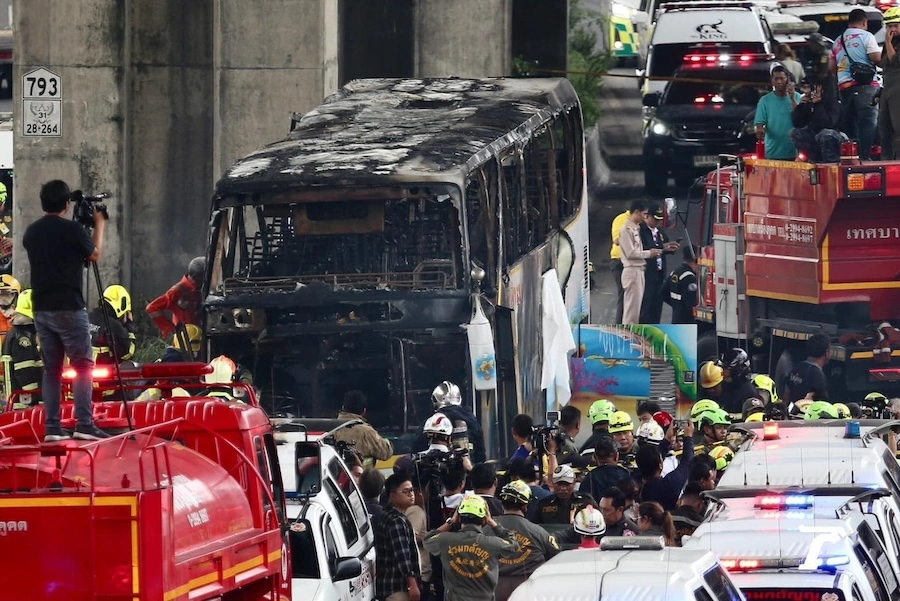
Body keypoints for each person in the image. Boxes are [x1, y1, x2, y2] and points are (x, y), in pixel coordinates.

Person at [22, 179, 109, 441]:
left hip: (41, 308)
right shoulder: (72, 230)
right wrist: (100, 224)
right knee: (83, 365)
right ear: (66, 204)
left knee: (52, 369)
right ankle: (84, 423)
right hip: (69, 307)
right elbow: (93, 254)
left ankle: (52, 428)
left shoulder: (31, 233)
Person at [423, 495, 520, 601]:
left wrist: (451, 522)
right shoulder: (493, 544)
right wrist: (492, 523)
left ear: (459, 517)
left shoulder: (446, 540)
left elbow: (427, 539)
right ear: (484, 520)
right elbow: (513, 544)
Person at [495, 481, 560, 601]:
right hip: (528, 590)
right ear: (525, 506)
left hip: (494, 589)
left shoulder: (486, 529)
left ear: (502, 504)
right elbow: (556, 556)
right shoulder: (538, 532)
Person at [833, 8, 881, 160]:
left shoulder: (837, 40)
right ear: (864, 21)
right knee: (868, 121)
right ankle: (865, 156)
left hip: (844, 88)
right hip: (865, 86)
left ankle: (852, 156)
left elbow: (831, 68)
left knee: (851, 123)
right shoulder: (867, 36)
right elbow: (875, 58)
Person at [374, 474, 422, 601]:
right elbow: (402, 556)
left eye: (412, 490)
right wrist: (412, 584)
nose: (411, 494)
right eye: (405, 491)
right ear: (393, 495)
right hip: (398, 588)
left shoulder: (389, 515)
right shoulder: (396, 521)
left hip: (390, 586)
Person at [620, 199, 664, 324]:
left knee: (636, 309)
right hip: (632, 270)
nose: (645, 217)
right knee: (631, 311)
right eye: (644, 214)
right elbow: (630, 253)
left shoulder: (636, 228)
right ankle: (627, 337)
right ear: (637, 212)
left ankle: (630, 335)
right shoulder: (626, 229)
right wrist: (649, 253)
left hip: (639, 270)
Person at [637, 420, 695, 510]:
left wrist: (667, 439)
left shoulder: (636, 483)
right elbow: (687, 462)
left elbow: (652, 457)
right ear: (660, 465)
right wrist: (688, 437)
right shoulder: (669, 485)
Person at [146, 256, 205, 339]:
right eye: (204, 277)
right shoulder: (178, 291)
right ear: (197, 277)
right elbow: (152, 308)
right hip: (184, 341)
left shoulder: (202, 289)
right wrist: (169, 329)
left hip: (200, 337)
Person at [1, 289, 42, 407]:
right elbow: (24, 371)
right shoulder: (23, 337)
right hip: (24, 404)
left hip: (22, 401)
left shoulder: (22, 333)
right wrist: (35, 395)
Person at [639, 203, 678, 324]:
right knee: (646, 306)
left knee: (657, 307)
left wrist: (670, 247)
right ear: (647, 216)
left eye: (659, 220)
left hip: (660, 273)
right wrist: (662, 248)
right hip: (647, 274)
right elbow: (643, 249)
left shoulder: (660, 231)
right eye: (655, 219)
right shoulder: (640, 230)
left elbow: (663, 245)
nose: (657, 222)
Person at [332, 389, 393, 465]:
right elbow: (386, 453)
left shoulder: (329, 429)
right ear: (363, 411)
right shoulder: (366, 432)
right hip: (361, 475)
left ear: (343, 407)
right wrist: (387, 442)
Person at [755, 65, 804, 160]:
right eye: (776, 79)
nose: (779, 82)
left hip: (794, 152)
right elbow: (759, 124)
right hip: (772, 153)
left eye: (782, 78)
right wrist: (759, 130)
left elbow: (801, 118)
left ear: (788, 79)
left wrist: (792, 98)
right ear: (772, 80)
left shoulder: (798, 97)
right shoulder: (765, 100)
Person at [431, 380, 486, 463]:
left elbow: (417, 447)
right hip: (471, 470)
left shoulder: (434, 421)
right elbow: (481, 453)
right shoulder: (472, 420)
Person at [790, 78, 843, 162]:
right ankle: (813, 158)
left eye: (809, 88)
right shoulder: (808, 102)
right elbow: (797, 124)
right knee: (795, 133)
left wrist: (817, 105)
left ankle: (830, 161)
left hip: (833, 136)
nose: (807, 91)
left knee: (825, 134)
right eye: (805, 88)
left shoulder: (831, 101)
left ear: (819, 88)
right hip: (814, 135)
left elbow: (828, 123)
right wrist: (801, 107)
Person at [532, 465, 596, 528]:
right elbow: (534, 527)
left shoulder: (586, 501)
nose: (563, 488)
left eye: (567, 484)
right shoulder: (543, 504)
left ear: (574, 482)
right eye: (559, 484)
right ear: (553, 483)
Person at [89, 284, 136, 365]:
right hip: (104, 373)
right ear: (121, 305)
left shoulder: (87, 317)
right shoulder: (113, 325)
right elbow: (128, 353)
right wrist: (129, 326)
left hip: (78, 371)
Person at [781, 333, 831, 406]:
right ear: (826, 353)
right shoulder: (818, 375)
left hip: (791, 413)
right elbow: (822, 405)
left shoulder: (796, 368)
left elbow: (786, 396)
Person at [880, 8, 900, 159]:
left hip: (898, 89)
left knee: (897, 126)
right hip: (887, 88)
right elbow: (884, 64)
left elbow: (895, 61)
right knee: (884, 127)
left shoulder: (890, 43)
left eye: (895, 25)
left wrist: (887, 41)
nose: (892, 30)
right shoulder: (891, 43)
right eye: (889, 26)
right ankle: (887, 160)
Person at [717, 348, 759, 416]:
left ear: (738, 370)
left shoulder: (749, 392)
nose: (722, 372)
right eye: (722, 368)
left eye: (726, 369)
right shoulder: (724, 386)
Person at [666, 245, 699, 324]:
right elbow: (690, 303)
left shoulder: (675, 273)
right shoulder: (690, 277)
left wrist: (676, 306)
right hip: (686, 321)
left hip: (676, 318)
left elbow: (663, 293)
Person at [609, 207, 631, 323]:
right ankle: (619, 326)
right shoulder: (621, 219)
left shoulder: (639, 223)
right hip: (619, 262)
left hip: (633, 263)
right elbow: (616, 240)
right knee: (624, 295)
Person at [0, 274, 21, 347]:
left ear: (15, 295)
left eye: (7, 294)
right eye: (0, 294)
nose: (3, 298)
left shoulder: (22, 317)